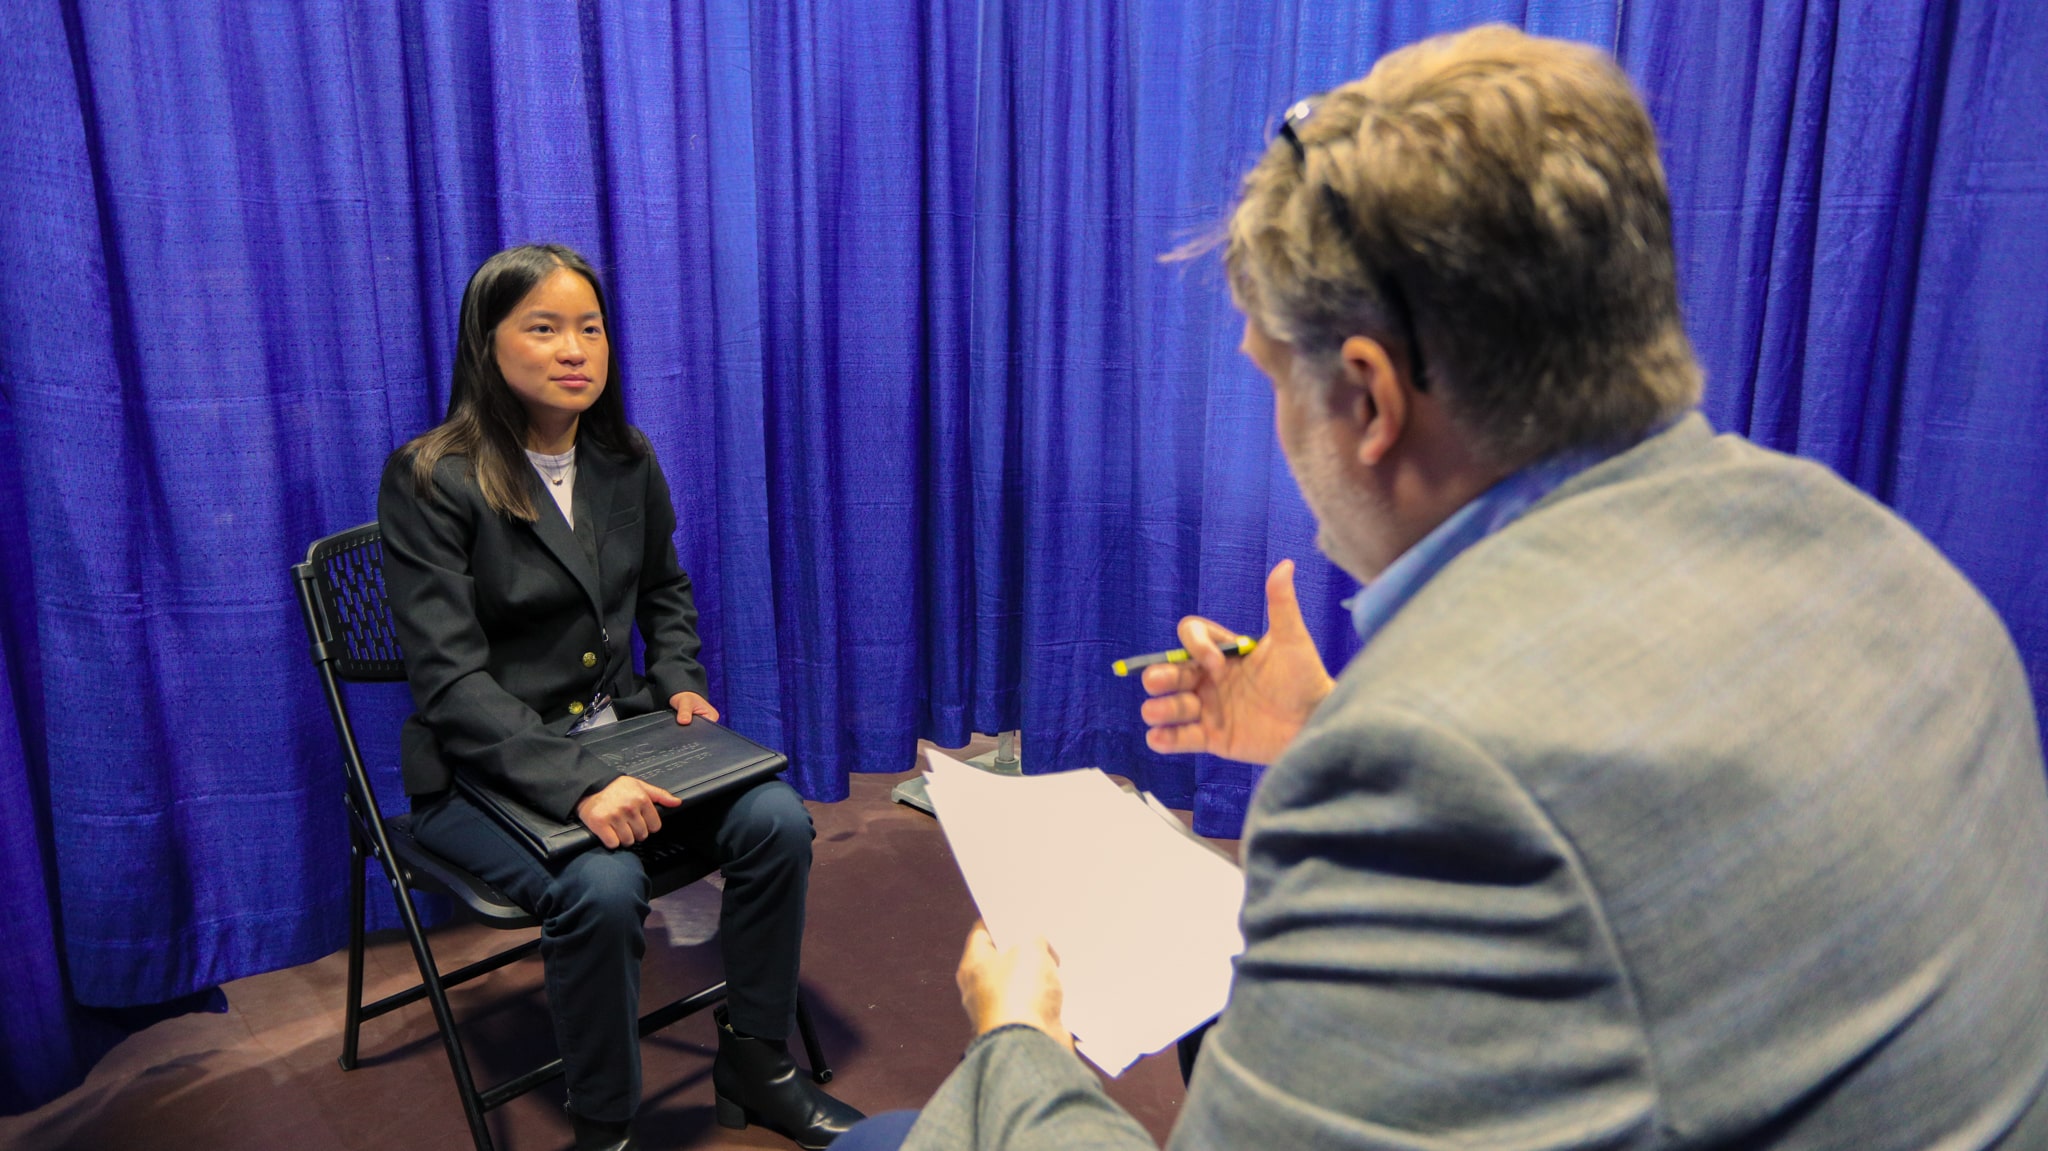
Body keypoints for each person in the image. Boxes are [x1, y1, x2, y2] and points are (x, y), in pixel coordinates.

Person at [841, 24, 2048, 1151]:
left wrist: (1018, 1039)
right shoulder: (1890, 563)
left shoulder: (1428, 769)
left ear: (1365, 397)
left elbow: (1519, 802)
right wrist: (1322, 727)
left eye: (1272, 375)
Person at [378, 243, 863, 1151]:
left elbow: (665, 592)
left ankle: (757, 1066)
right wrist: (577, 785)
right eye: (545, 327)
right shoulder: (432, 477)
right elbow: (448, 681)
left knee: (777, 820)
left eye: (590, 329)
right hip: (482, 773)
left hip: (627, 739)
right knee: (602, 886)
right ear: (488, 345)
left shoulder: (623, 457)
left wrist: (679, 683)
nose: (576, 350)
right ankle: (606, 1131)